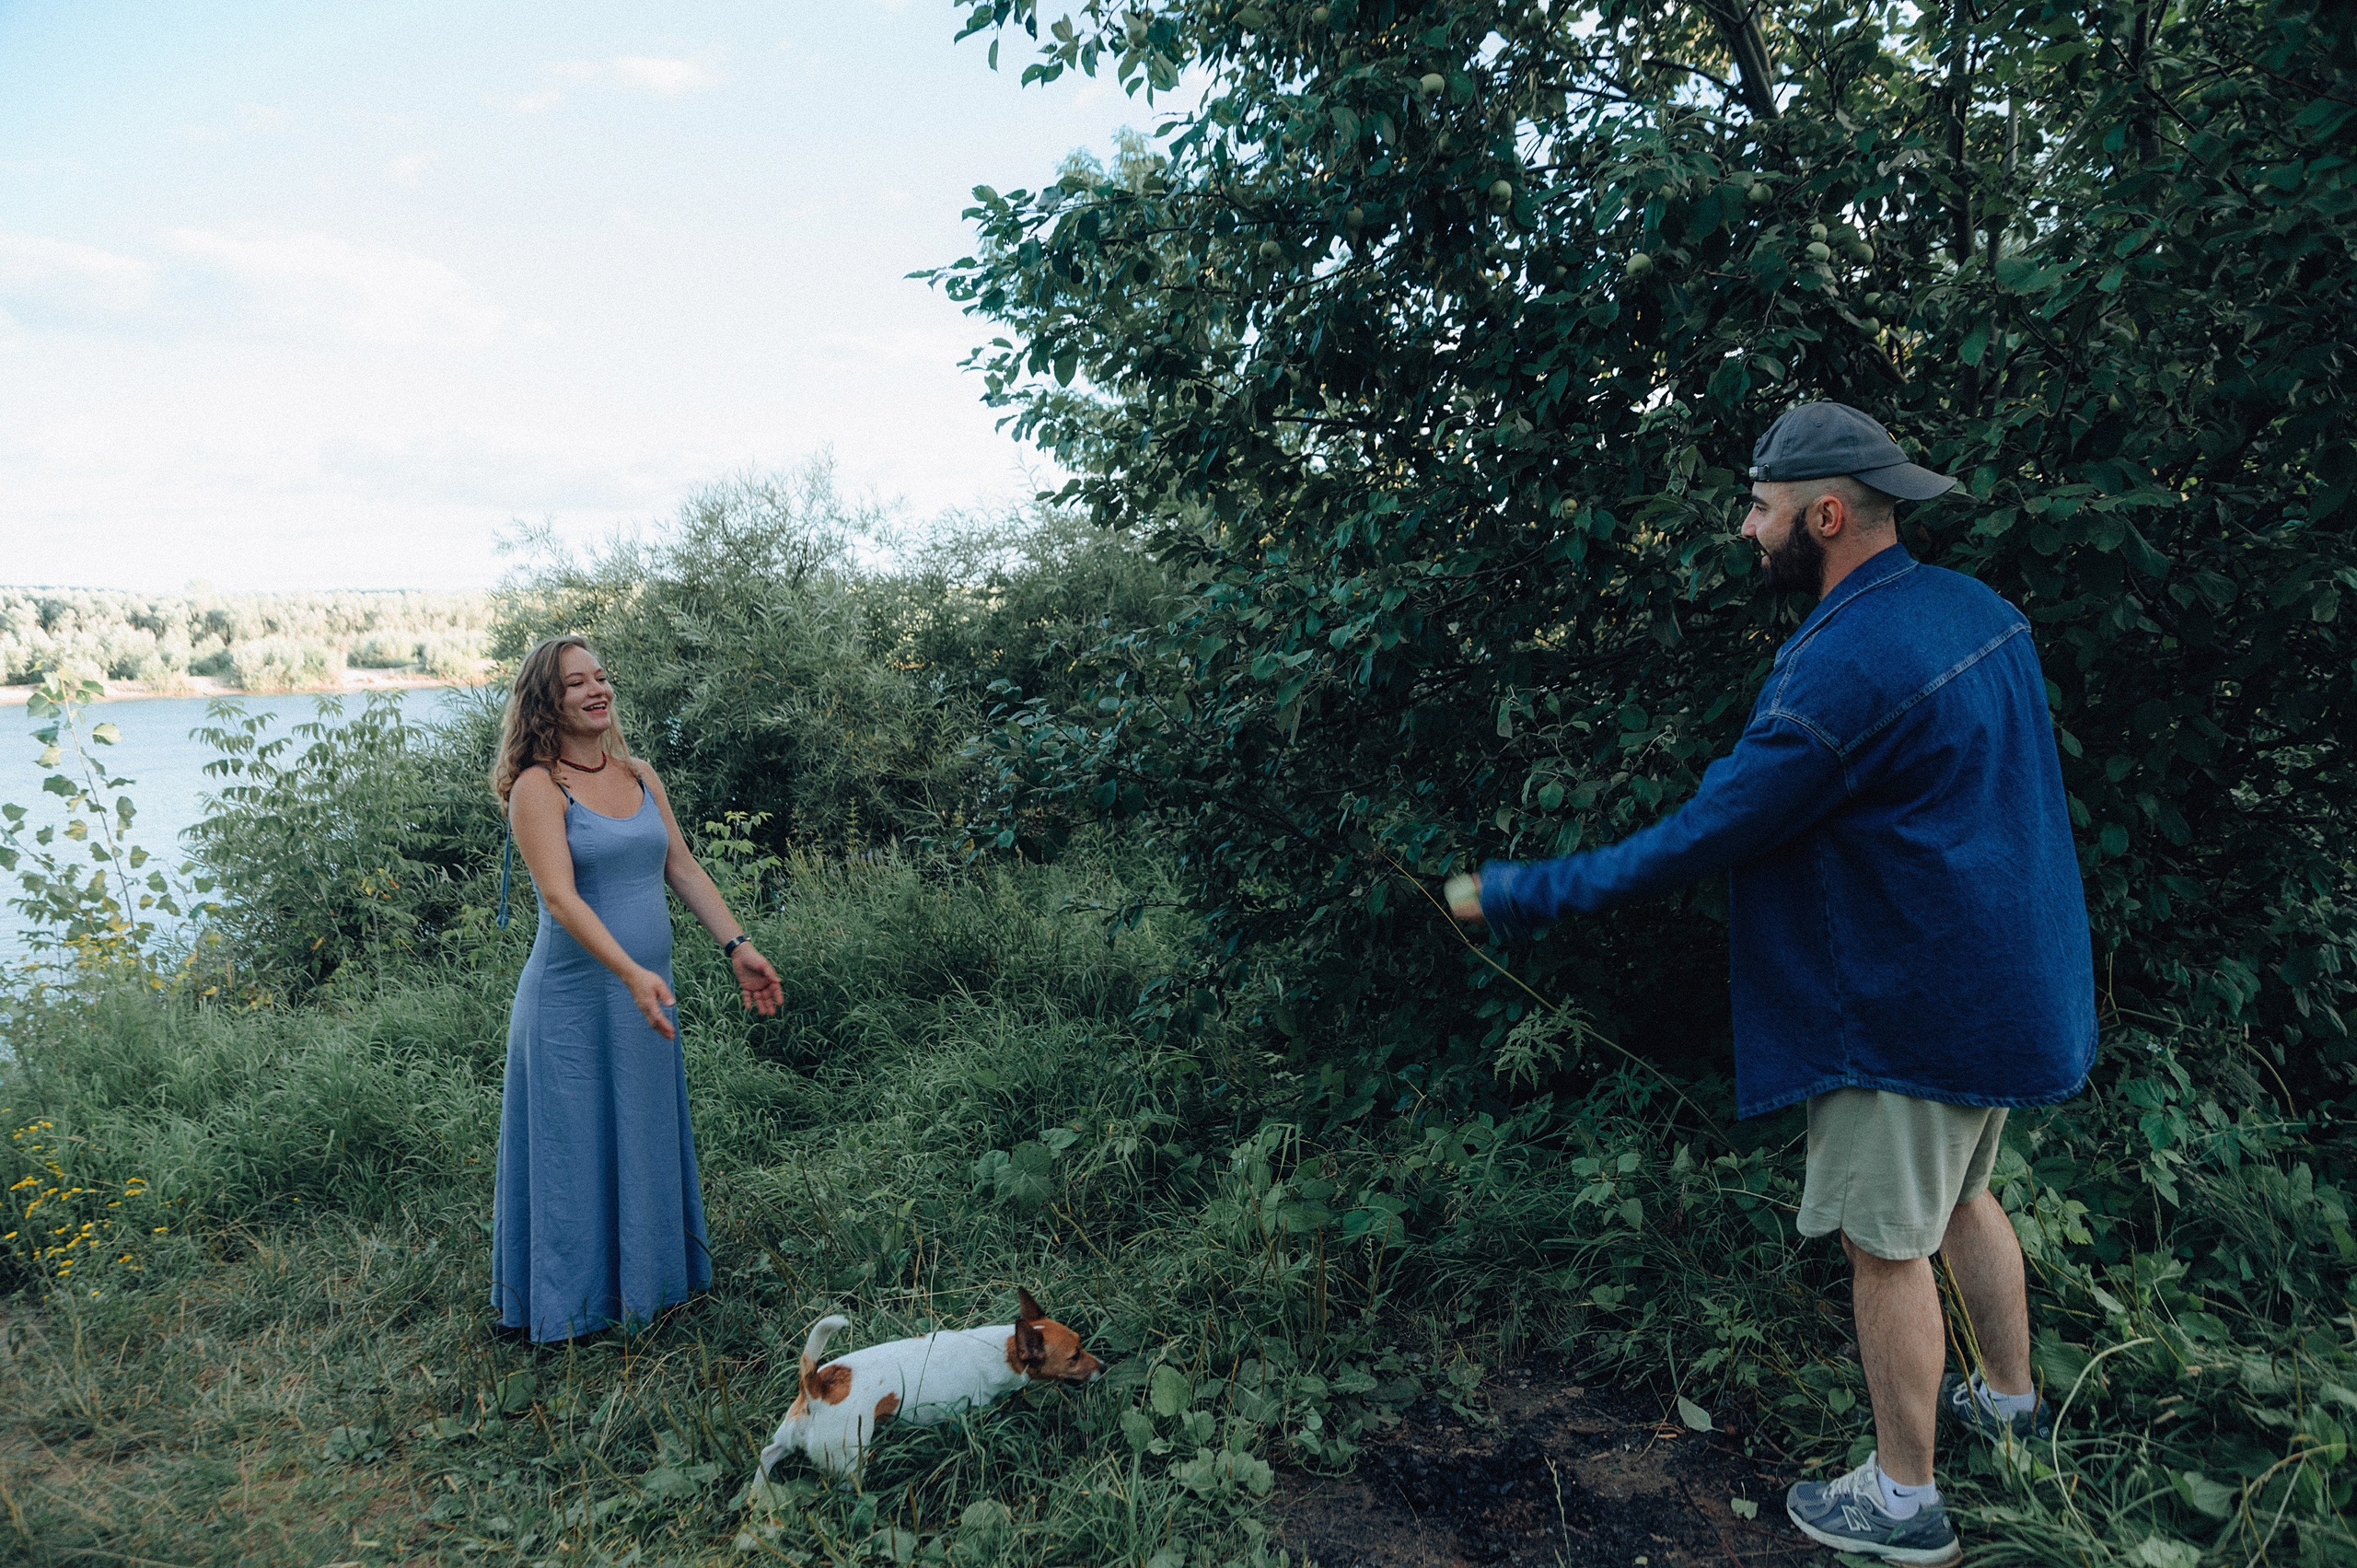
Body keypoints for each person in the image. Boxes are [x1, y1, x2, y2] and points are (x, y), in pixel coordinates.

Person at [1446, 402, 2095, 1566]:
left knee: (1884, 1245)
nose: (1748, 530)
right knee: (1958, 1201)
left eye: (1761, 508)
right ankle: (2008, 1406)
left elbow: (1703, 833)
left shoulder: (1843, 670)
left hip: (1904, 1008)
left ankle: (1904, 1502)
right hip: (2001, 985)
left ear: (1827, 514)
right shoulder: (1979, 612)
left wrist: (1522, 891)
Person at [489, 634, 784, 1344]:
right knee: (573, 1149)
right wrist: (628, 971)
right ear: (545, 702)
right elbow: (560, 898)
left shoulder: (641, 774)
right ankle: (570, 1311)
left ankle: (651, 1289)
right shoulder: (539, 786)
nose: (597, 691)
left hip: (646, 999)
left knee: (642, 1131)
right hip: (572, 1002)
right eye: (575, 683)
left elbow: (681, 868)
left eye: (601, 677)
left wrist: (738, 945)